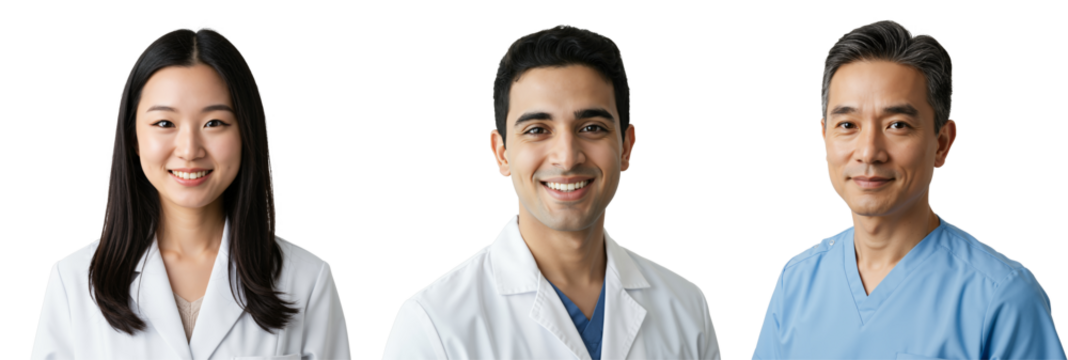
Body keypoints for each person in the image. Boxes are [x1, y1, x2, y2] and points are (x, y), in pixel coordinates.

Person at [381, 24, 723, 360]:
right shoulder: (432, 325)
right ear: (501, 154)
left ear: (626, 148)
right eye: (537, 130)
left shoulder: (688, 307)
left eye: (591, 127)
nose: (567, 156)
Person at [30, 27, 353, 359]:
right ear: (132, 138)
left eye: (214, 123)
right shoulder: (73, 284)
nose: (189, 149)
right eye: (165, 123)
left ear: (246, 133)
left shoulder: (308, 282)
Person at [750, 19, 1065, 360]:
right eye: (848, 125)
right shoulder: (796, 283)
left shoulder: (1001, 296)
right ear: (825, 138)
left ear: (943, 143)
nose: (869, 151)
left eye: (897, 125)